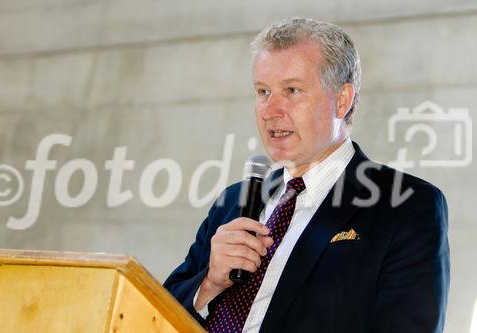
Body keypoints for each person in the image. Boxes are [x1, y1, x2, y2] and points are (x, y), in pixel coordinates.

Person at [164, 18, 450, 333]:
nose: (270, 110)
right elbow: (153, 313)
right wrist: (208, 283)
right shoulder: (233, 201)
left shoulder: (406, 206)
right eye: (263, 91)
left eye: (292, 90)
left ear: (342, 100)